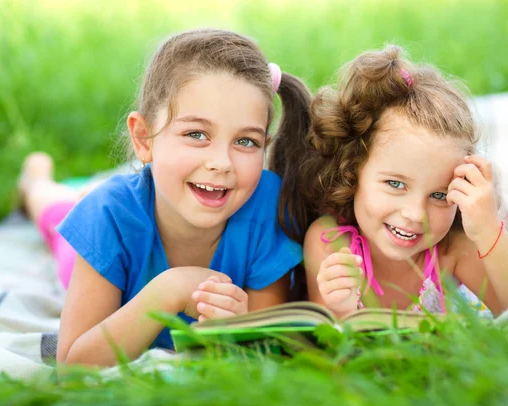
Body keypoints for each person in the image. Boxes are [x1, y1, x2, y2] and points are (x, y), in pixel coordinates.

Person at [17, 29, 312, 367]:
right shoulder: (108, 218)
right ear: (144, 138)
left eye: (246, 141)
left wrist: (239, 327)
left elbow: (265, 349)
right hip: (98, 258)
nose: (221, 163)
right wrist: (170, 290)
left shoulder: (266, 209)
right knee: (57, 217)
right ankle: (36, 180)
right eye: (196, 134)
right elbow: (73, 367)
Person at [270, 44, 508, 318]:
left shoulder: (452, 247)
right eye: (395, 184)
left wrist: (486, 229)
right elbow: (338, 353)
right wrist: (341, 311)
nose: (414, 214)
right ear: (352, 168)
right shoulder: (330, 241)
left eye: (439, 195)